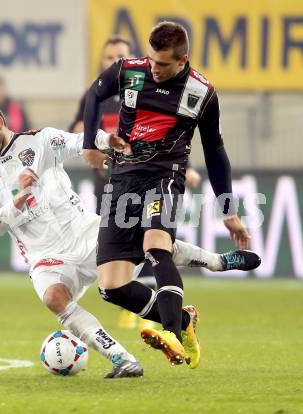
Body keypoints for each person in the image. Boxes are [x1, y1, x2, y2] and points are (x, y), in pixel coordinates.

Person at [0, 97, 259, 377]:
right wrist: (21, 195)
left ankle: (217, 261)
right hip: (44, 256)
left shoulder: (40, 140)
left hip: (85, 232)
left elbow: (81, 142)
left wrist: (109, 143)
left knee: (147, 242)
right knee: (54, 298)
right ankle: (124, 360)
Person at [82, 21, 257, 369]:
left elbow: (215, 151)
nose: (154, 70)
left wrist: (228, 210)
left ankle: (172, 335)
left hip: (166, 177)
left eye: (162, 64)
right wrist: (90, 144)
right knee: (111, 286)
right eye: (151, 61)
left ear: (183, 59)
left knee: (156, 248)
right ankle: (185, 316)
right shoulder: (130, 71)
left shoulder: (201, 92)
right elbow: (93, 95)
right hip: (122, 181)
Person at [70, 35, 202, 330]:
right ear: (103, 61)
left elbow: (167, 138)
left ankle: (162, 312)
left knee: (152, 239)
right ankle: (148, 301)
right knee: (118, 256)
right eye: (108, 57)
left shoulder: (145, 89)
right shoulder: (97, 96)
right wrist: (98, 140)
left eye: (119, 55)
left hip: (147, 177)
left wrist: (186, 169)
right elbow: (78, 129)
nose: (113, 61)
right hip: (108, 181)